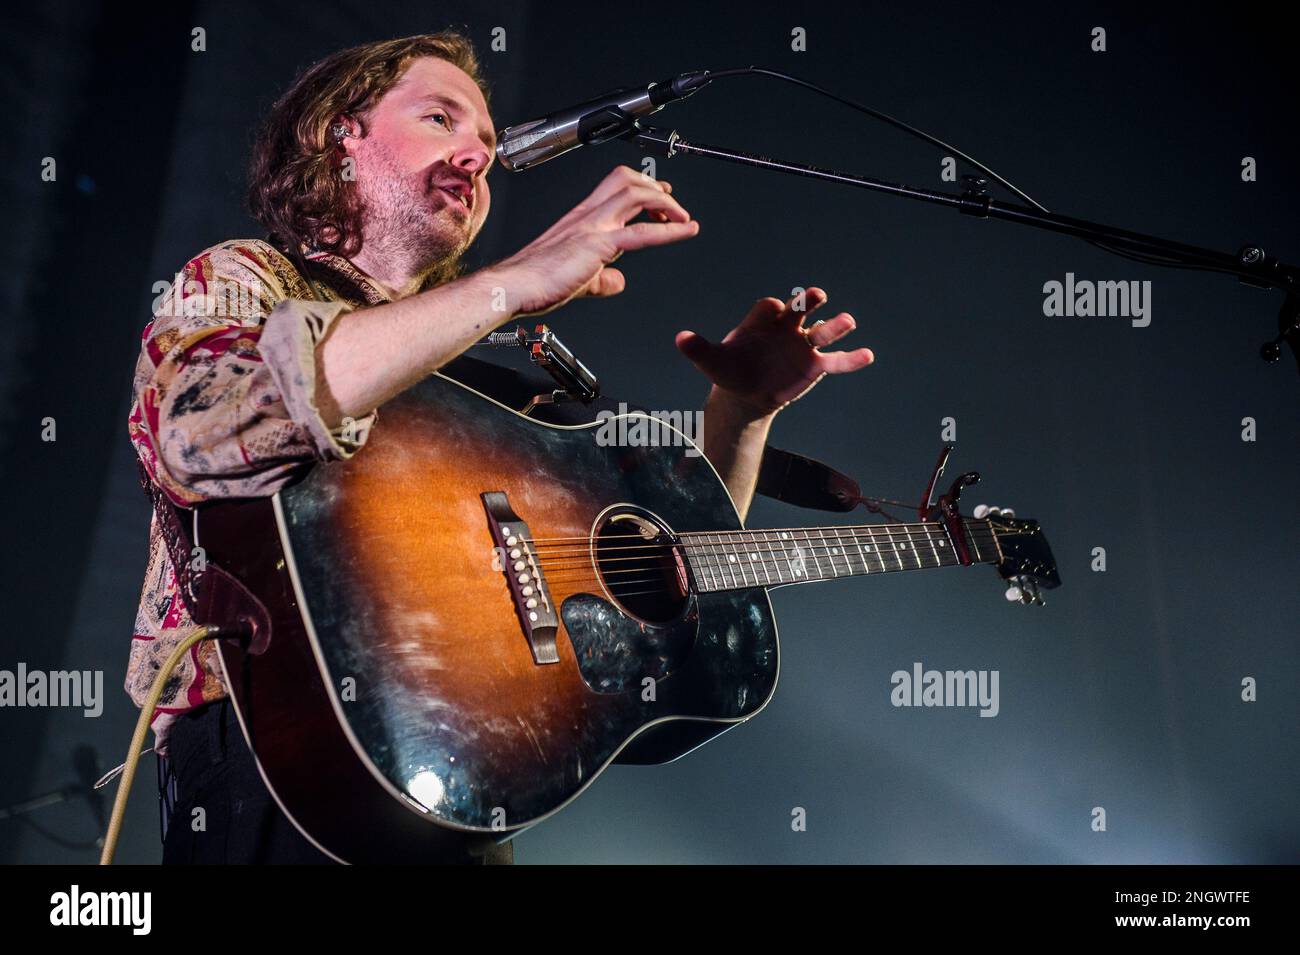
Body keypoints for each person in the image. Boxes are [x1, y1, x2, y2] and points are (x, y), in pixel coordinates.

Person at [127, 31, 875, 864]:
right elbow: (197, 432)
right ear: (341, 134)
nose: (475, 158)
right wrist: (512, 282)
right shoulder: (249, 278)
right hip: (281, 760)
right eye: (441, 118)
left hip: (464, 791)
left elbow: (659, 579)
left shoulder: (494, 378)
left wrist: (742, 412)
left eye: (487, 143)